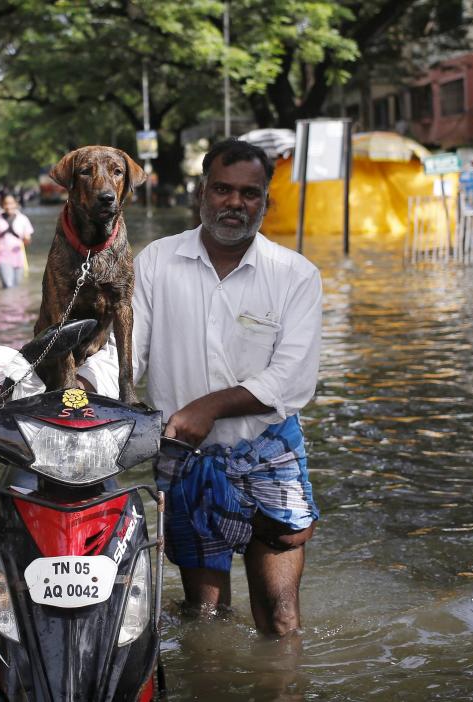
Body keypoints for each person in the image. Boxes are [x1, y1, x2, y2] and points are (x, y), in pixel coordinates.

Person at [80, 138, 322, 638]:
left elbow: (292, 379)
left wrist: (209, 407)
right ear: (201, 193)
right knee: (205, 619)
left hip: (268, 452)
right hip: (187, 459)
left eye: (249, 194)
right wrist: (82, 385)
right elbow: (128, 352)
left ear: (266, 201)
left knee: (280, 620)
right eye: (222, 190)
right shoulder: (155, 263)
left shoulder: (295, 275)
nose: (235, 203)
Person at [0, 194, 33, 288]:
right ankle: (7, 302)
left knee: (16, 286)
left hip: (19, 257)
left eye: (11, 203)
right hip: (2, 256)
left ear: (16, 204)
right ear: (2, 205)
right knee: (8, 285)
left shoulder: (23, 219)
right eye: (6, 204)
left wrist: (27, 239)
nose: (8, 206)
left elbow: (27, 241)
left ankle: (13, 302)